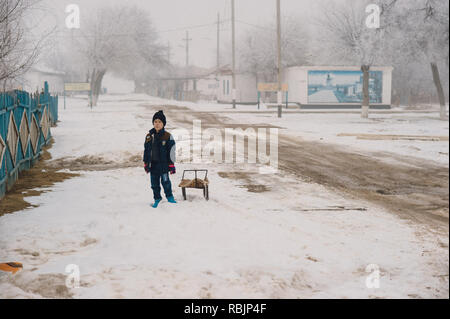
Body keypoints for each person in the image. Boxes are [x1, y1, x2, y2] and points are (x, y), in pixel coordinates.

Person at [143, 110, 176, 208]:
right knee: (154, 184)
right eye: (155, 122)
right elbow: (146, 151)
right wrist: (146, 163)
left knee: (166, 182)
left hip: (164, 165)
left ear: (163, 124)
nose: (157, 124)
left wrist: (171, 165)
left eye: (159, 122)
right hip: (153, 165)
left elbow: (172, 152)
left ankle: (170, 197)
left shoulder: (167, 136)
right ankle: (157, 198)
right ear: (153, 123)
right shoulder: (149, 136)